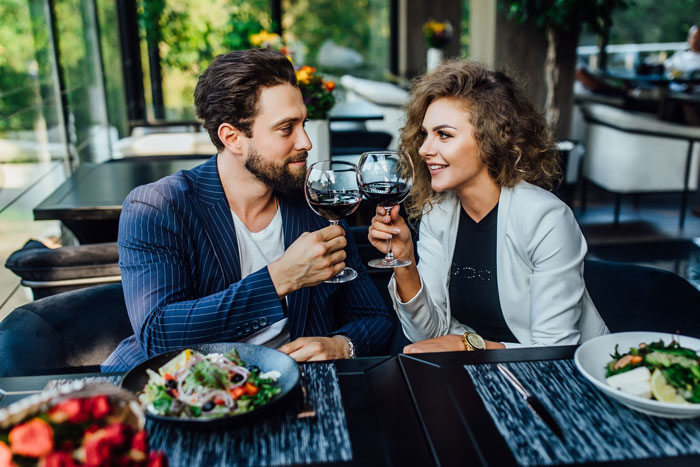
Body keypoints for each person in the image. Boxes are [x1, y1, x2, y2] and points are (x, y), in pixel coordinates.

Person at [102, 49, 393, 371]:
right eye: (287, 128)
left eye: (303, 123)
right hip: (184, 390)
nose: (306, 142)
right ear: (233, 137)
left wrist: (342, 345)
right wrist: (279, 279)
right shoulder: (158, 207)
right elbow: (159, 335)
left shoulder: (316, 201)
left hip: (287, 385)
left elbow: (374, 318)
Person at [369, 60, 608, 353]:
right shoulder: (439, 214)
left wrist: (468, 346)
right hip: (473, 370)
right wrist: (405, 262)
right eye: (425, 134)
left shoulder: (544, 218)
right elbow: (425, 333)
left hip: (557, 379)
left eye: (443, 135)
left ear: (490, 139)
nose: (423, 149)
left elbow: (554, 351)